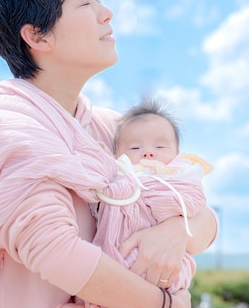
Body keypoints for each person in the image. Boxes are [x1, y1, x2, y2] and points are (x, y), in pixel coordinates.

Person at [0, 0, 218, 308]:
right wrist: (166, 303)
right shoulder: (5, 129)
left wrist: (174, 230)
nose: (106, 14)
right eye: (84, 4)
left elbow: (202, 213)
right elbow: (53, 250)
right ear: (38, 37)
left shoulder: (112, 130)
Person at [82, 98, 213, 308]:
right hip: (115, 268)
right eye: (134, 148)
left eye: (160, 146)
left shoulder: (178, 179)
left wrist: (175, 221)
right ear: (116, 156)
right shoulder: (116, 178)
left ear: (177, 155)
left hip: (166, 270)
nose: (148, 152)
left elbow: (197, 206)